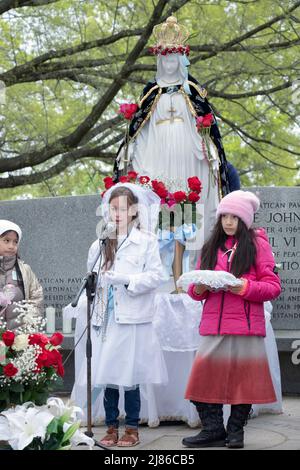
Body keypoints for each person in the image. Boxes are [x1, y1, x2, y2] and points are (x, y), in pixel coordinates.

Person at [114, 16, 231, 281]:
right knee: (159, 211)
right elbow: (138, 133)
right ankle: (158, 268)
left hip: (188, 158)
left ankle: (189, 268)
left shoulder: (192, 93)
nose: (168, 64)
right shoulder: (150, 94)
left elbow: (207, 130)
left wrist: (206, 146)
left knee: (191, 209)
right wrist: (132, 151)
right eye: (164, 59)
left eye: (173, 59)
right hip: (156, 157)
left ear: (180, 62)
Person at [182, 190, 281, 449]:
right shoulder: (211, 246)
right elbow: (195, 289)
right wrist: (200, 288)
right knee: (202, 379)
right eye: (224, 215)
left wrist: (244, 287)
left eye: (234, 217)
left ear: (244, 219)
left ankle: (235, 431)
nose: (228, 221)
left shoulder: (258, 244)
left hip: (246, 327)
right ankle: (213, 429)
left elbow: (272, 286)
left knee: (243, 383)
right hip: (214, 326)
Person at [77, 183, 167, 447]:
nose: (117, 213)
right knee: (108, 374)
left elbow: (155, 277)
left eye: (123, 209)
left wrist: (127, 279)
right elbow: (91, 274)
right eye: (113, 208)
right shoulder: (100, 243)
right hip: (105, 317)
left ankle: (132, 429)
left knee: (129, 375)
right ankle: (111, 427)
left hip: (132, 317)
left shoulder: (146, 242)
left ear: (134, 211)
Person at [0, 219, 43, 330]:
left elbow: (36, 296)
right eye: (7, 240)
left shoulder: (25, 270)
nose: (11, 246)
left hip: (19, 337)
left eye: (15, 242)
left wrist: (29, 323)